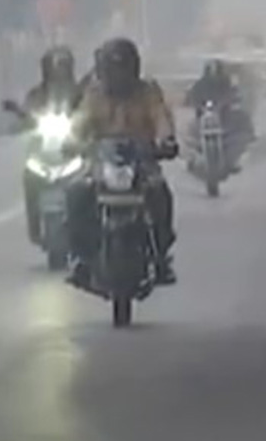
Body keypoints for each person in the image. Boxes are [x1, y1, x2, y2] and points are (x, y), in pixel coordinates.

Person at [70, 36, 180, 287]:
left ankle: (161, 257)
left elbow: (160, 117)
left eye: (123, 68)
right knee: (76, 195)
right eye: (113, 68)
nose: (118, 75)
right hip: (101, 161)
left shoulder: (148, 92)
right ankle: (81, 258)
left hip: (142, 162)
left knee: (160, 194)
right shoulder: (94, 94)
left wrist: (166, 141)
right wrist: (72, 141)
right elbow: (80, 121)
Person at [16, 45, 84, 243]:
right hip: (43, 152)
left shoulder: (81, 93)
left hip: (74, 152)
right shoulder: (36, 94)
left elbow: (91, 113)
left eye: (63, 67)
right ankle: (35, 227)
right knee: (29, 178)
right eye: (55, 67)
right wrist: (21, 118)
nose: (59, 72)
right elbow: (27, 114)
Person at [185, 58, 253, 166]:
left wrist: (227, 102)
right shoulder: (200, 84)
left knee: (241, 124)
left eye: (215, 71)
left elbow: (232, 93)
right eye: (211, 70)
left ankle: (235, 155)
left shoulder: (225, 82)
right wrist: (194, 102)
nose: (213, 73)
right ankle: (192, 157)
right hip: (203, 114)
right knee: (190, 130)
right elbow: (193, 95)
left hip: (224, 113)